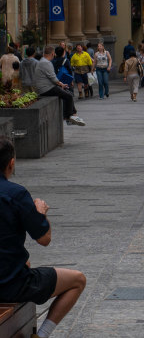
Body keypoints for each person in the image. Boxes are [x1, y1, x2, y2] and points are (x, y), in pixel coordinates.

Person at [0, 137, 86, 338]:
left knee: (25, 263)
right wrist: (40, 213)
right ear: (11, 163)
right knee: (77, 280)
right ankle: (42, 335)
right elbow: (44, 238)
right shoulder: (16, 193)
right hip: (10, 285)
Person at [33, 46, 85, 126]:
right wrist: (61, 84)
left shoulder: (42, 61)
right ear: (53, 54)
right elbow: (53, 78)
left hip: (46, 87)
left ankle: (73, 115)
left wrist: (61, 85)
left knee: (68, 92)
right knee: (68, 96)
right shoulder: (46, 63)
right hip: (46, 89)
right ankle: (68, 117)